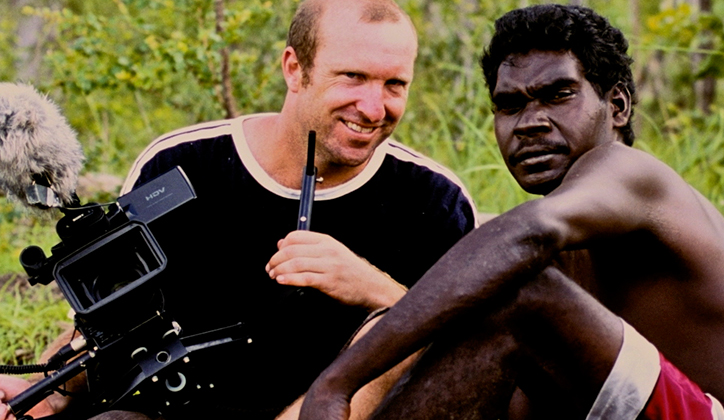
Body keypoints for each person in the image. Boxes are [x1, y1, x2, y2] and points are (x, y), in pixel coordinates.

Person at [0, 1, 477, 419]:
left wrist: (371, 287)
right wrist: (47, 390)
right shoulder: (180, 165)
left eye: (395, 84)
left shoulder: (437, 202)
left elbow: (467, 354)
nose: (373, 108)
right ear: (294, 68)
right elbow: (108, 320)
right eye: (352, 76)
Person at [299, 4, 724, 420]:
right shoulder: (563, 253)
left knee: (514, 283)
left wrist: (336, 385)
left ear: (617, 106)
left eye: (558, 95)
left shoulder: (632, 172)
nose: (530, 122)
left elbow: (520, 240)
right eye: (509, 105)